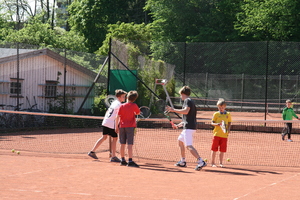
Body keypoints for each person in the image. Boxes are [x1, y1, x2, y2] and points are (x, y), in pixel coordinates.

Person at [166, 86, 206, 171]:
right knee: (180, 141)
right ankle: (183, 161)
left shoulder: (188, 100)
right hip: (188, 126)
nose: (181, 97)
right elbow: (186, 118)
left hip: (189, 128)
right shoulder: (188, 101)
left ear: (183, 94)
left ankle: (201, 161)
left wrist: (173, 110)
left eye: (181, 95)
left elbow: (186, 111)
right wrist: (178, 125)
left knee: (189, 146)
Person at [88, 89, 127, 161]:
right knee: (115, 139)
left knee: (104, 137)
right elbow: (118, 116)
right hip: (111, 123)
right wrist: (117, 127)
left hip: (106, 122)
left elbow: (108, 112)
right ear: (118, 97)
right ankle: (113, 156)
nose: (125, 98)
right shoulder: (119, 105)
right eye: (123, 96)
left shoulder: (114, 102)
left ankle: (92, 151)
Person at [115, 90, 140, 167]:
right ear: (135, 99)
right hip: (130, 127)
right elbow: (138, 113)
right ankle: (130, 160)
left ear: (127, 97)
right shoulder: (134, 105)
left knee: (122, 144)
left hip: (122, 127)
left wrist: (116, 127)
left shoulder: (122, 106)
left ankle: (122, 160)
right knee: (130, 144)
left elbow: (117, 117)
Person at [211, 98, 232, 168]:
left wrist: (228, 129)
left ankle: (221, 163)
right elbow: (212, 123)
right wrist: (217, 124)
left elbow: (229, 123)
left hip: (224, 135)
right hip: (216, 134)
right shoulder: (216, 114)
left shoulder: (228, 114)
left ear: (225, 107)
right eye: (219, 107)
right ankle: (213, 163)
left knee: (222, 150)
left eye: (222, 107)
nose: (221, 109)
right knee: (214, 149)